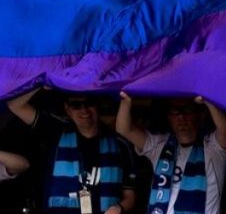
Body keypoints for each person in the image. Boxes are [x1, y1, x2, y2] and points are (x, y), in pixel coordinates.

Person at [7, 89, 136, 214]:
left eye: (89, 103)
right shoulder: (55, 130)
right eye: (76, 105)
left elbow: (130, 196)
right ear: (67, 109)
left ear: (98, 105)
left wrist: (118, 208)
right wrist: (41, 84)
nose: (84, 110)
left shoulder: (120, 143)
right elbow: (15, 105)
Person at [116, 93, 226, 214]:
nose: (181, 117)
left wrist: (208, 100)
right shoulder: (160, 145)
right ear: (168, 117)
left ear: (200, 115)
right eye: (175, 111)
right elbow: (124, 129)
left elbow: (225, 129)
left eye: (187, 110)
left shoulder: (213, 148)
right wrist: (126, 99)